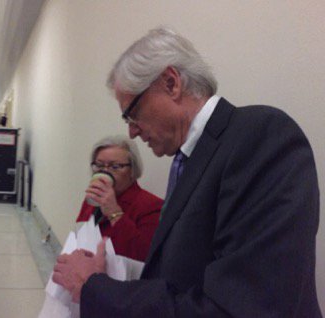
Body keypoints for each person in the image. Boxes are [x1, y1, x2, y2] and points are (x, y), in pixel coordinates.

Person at [52, 27, 320, 317]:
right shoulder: (190, 159)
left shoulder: (262, 136)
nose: (131, 130)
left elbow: (239, 306)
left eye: (132, 113)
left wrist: (94, 286)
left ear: (171, 83)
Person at [74, 136, 162, 262]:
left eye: (115, 166)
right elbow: (80, 236)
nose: (105, 172)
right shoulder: (93, 199)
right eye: (99, 165)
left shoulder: (151, 206)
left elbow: (144, 257)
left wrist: (114, 213)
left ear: (133, 170)